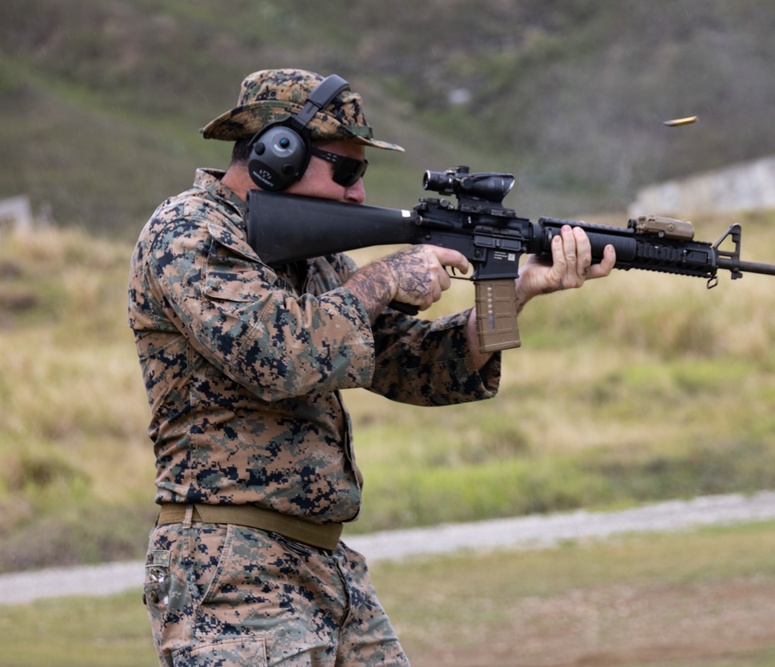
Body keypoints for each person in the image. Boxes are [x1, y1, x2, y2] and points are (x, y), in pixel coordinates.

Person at [128, 68, 615, 667]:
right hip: (229, 572)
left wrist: (512, 294)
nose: (358, 193)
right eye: (347, 171)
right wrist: (385, 276)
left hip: (324, 563)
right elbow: (279, 357)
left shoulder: (315, 256)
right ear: (276, 155)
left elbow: (410, 366)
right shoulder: (188, 232)